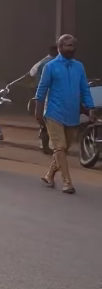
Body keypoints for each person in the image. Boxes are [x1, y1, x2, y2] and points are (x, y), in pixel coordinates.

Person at [36, 34, 95, 195]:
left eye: (73, 45)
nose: (71, 48)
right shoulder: (50, 66)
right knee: (60, 147)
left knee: (64, 148)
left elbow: (84, 90)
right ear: (60, 47)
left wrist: (91, 108)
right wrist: (38, 111)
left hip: (72, 115)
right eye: (67, 45)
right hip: (54, 112)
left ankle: (49, 176)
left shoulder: (79, 67)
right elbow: (41, 90)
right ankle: (67, 182)